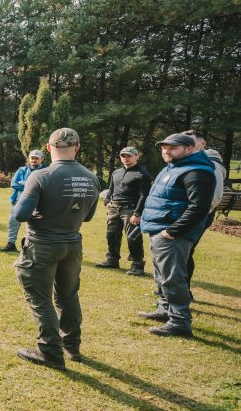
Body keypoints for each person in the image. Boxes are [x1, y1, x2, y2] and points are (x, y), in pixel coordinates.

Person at [13, 128, 100, 369]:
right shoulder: (91, 177)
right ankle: (71, 346)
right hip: (72, 243)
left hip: (42, 244)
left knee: (40, 298)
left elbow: (20, 214)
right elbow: (89, 216)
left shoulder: (40, 176)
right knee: (68, 295)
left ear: (49, 149)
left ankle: (50, 351)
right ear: (77, 148)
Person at [137, 133, 215, 338]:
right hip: (158, 230)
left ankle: (180, 322)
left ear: (190, 149)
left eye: (173, 147)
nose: (166, 151)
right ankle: (165, 310)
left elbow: (199, 207)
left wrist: (172, 231)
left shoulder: (197, 172)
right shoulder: (173, 167)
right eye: (164, 147)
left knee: (173, 278)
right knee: (161, 276)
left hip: (172, 235)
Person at [95, 147, 152, 276]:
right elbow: (111, 189)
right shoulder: (116, 172)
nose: (126, 158)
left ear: (137, 156)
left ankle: (137, 265)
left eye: (129, 156)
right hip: (114, 208)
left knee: (133, 237)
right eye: (123, 156)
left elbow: (144, 195)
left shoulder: (143, 174)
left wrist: (137, 213)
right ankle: (112, 259)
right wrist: (107, 201)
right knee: (112, 235)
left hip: (131, 209)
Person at [181, 130, 227, 288]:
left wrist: (194, 216)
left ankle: (183, 290)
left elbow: (214, 197)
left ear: (203, 144)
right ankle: (171, 289)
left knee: (185, 252)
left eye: (192, 142)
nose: (188, 145)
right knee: (180, 252)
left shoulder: (212, 163)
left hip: (197, 216)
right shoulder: (191, 161)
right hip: (188, 214)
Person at [1, 150, 45, 252]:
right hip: (18, 201)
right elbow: (13, 184)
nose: (34, 160)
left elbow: (44, 187)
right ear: (29, 159)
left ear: (41, 159)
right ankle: (11, 244)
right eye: (32, 158)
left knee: (33, 224)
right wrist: (30, 186)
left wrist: (23, 183)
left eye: (36, 158)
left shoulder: (45, 171)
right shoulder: (21, 170)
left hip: (37, 203)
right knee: (13, 222)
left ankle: (30, 245)